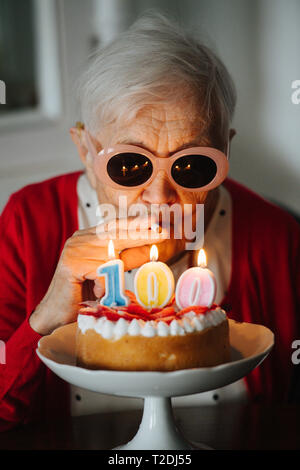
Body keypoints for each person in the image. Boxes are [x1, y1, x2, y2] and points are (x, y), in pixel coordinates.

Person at [0, 12, 299, 431]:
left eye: (192, 165)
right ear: (86, 151)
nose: (160, 197)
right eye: (128, 165)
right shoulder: (28, 222)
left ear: (224, 152)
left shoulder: (277, 235)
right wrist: (47, 317)